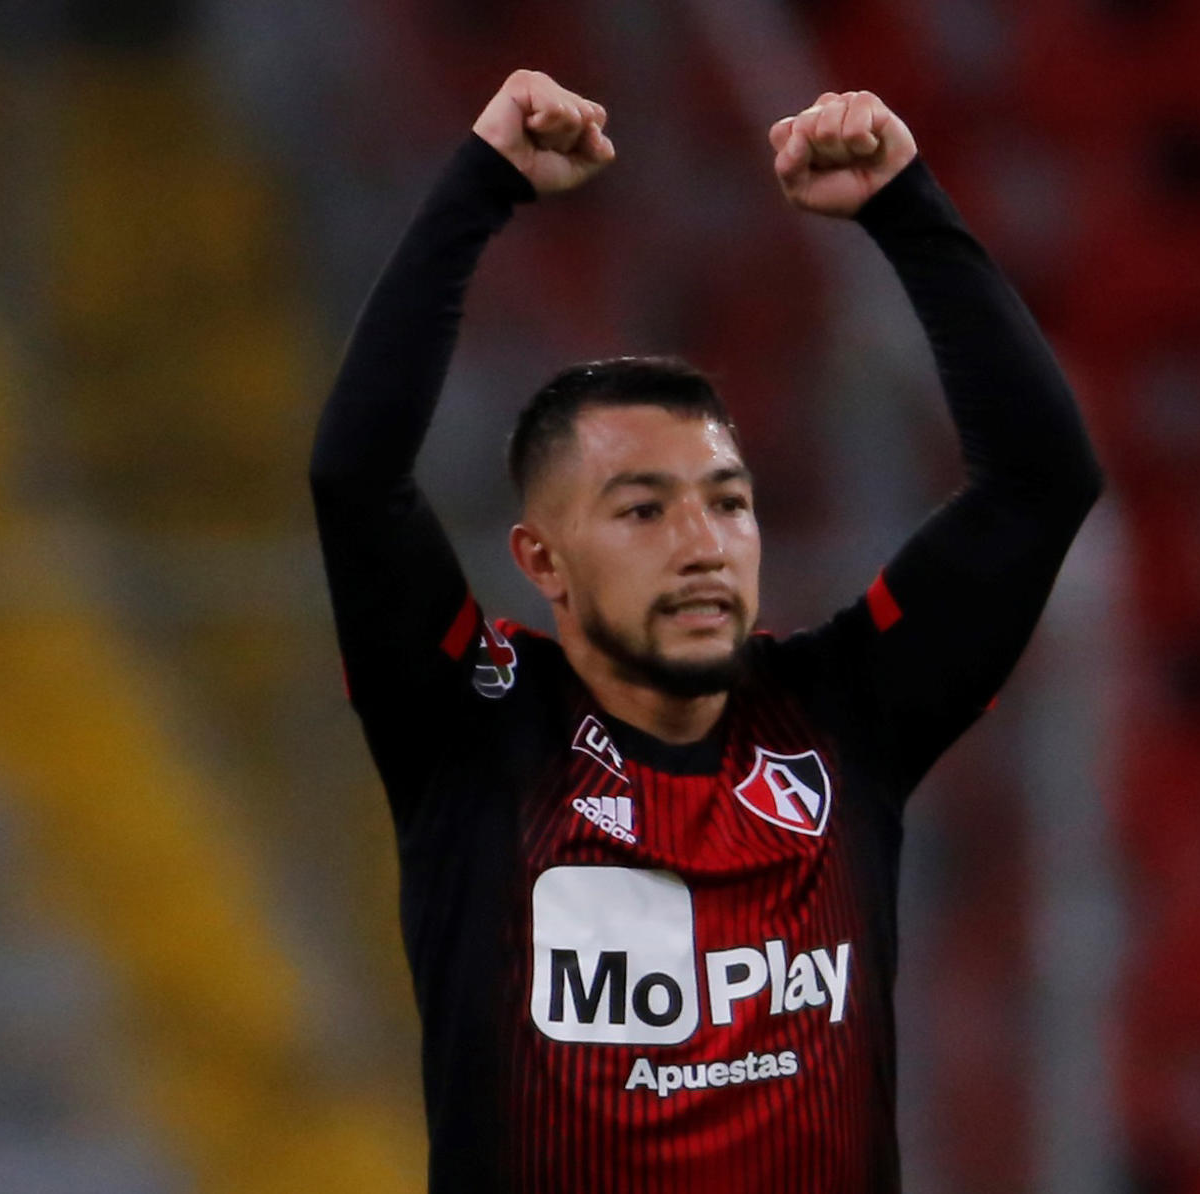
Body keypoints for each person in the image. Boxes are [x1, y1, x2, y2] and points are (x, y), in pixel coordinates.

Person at [310, 67, 1102, 1193]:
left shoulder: (841, 717)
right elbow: (358, 480)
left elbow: (1040, 484)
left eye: (727, 501)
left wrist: (907, 208)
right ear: (543, 563)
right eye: (642, 509)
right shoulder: (473, 733)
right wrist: (479, 187)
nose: (702, 543)